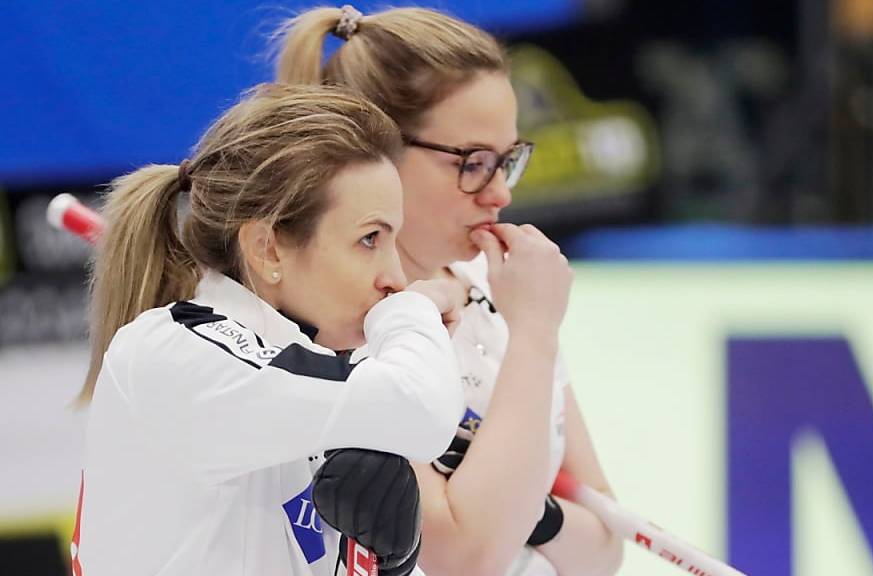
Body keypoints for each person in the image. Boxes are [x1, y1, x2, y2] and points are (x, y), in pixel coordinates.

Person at [275, 7, 624, 576]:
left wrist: (525, 508)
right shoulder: (335, 324)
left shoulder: (498, 289)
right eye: (473, 162)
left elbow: (603, 549)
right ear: (374, 149)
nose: (499, 195)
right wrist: (533, 333)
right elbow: (460, 558)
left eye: (507, 161)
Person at [72, 83, 465, 576]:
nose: (396, 278)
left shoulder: (296, 373)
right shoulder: (177, 353)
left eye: (392, 240)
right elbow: (421, 410)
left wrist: (387, 567)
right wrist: (414, 312)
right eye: (369, 239)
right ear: (268, 249)